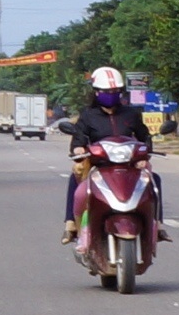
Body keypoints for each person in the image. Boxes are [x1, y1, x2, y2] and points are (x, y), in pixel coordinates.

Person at [64, 65, 163, 242]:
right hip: (98, 163)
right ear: (96, 92)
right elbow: (78, 139)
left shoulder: (131, 114)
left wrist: (144, 156)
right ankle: (70, 223)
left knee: (153, 177)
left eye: (115, 91)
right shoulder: (88, 115)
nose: (111, 94)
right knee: (76, 174)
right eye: (106, 91)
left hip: (129, 163)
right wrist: (78, 150)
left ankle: (158, 224)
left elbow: (144, 137)